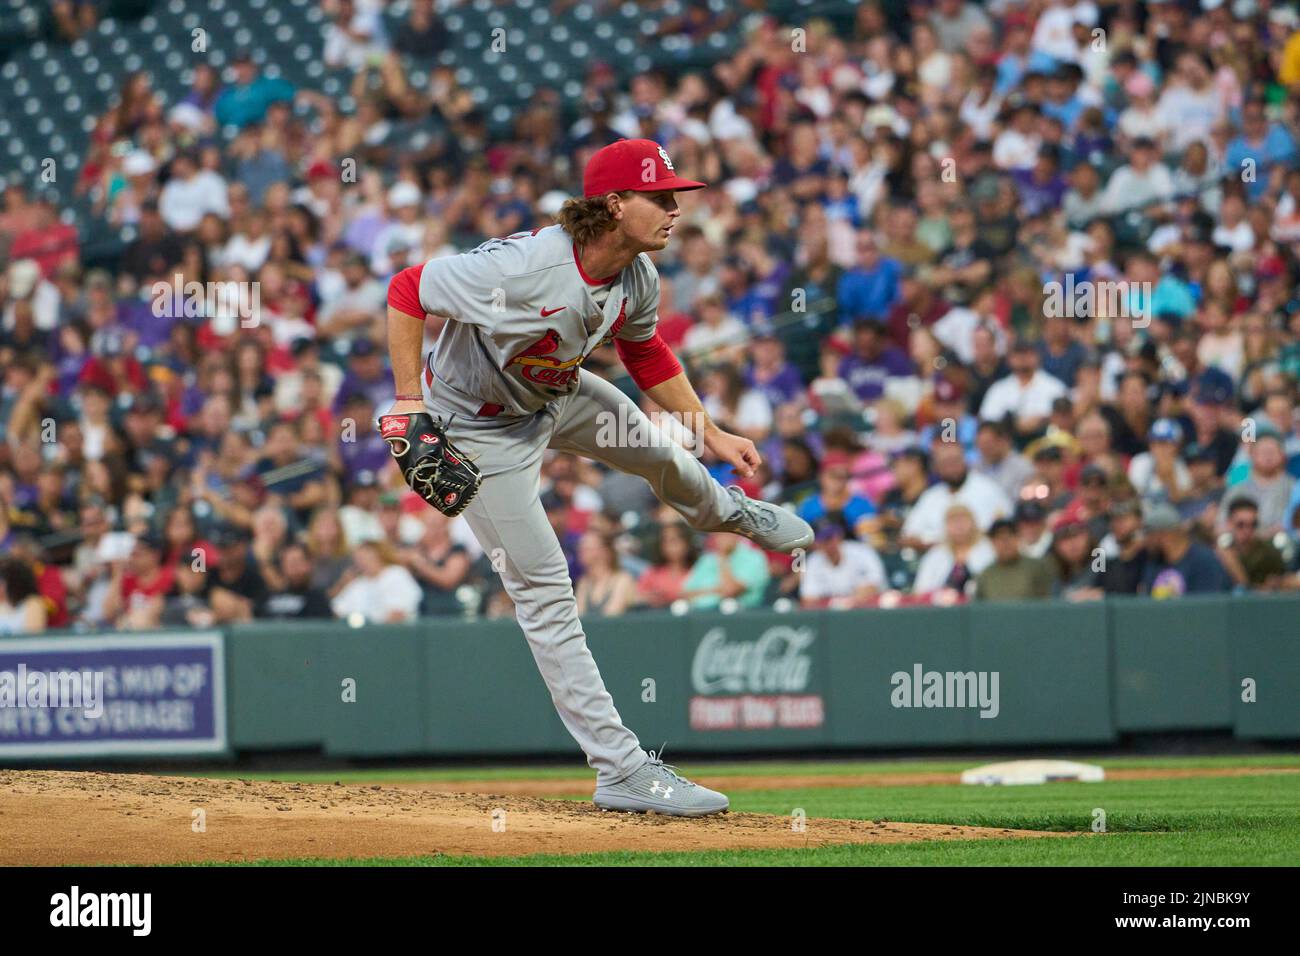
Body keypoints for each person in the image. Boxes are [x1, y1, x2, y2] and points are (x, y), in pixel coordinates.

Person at [381, 138, 813, 817]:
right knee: (547, 594)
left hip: (555, 394)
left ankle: (732, 514)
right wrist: (410, 402)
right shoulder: (525, 268)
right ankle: (621, 769)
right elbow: (408, 289)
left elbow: (644, 350)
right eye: (660, 196)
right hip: (478, 427)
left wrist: (713, 431)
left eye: (676, 196)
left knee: (667, 458)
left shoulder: (637, 274)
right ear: (614, 204)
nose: (676, 208)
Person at [1141, 503, 1230, 597]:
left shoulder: (1204, 561)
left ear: (1164, 536)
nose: (1145, 541)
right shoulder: (1154, 563)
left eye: (1148, 535)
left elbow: (1208, 605)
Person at [798, 520, 886, 608]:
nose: (831, 543)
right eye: (825, 540)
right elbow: (807, 599)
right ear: (816, 543)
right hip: (832, 615)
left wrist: (850, 601)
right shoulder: (813, 561)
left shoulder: (862, 552)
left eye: (831, 537)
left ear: (839, 536)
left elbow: (876, 584)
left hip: (868, 610)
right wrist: (837, 603)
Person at [973, 518, 1054, 601]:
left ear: (1018, 538)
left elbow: (1047, 602)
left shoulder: (1036, 568)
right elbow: (978, 608)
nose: (1005, 543)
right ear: (992, 542)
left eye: (1009, 537)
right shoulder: (985, 575)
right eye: (1000, 538)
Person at [636, 521, 699, 610]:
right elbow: (637, 596)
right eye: (665, 541)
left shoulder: (699, 570)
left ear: (687, 543)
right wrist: (651, 597)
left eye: (674, 541)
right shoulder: (653, 573)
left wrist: (671, 595)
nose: (669, 546)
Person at [574, 531, 637, 617]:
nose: (581, 552)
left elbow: (612, 616)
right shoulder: (583, 582)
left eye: (587, 548)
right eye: (580, 548)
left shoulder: (623, 580)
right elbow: (578, 616)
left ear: (605, 551)